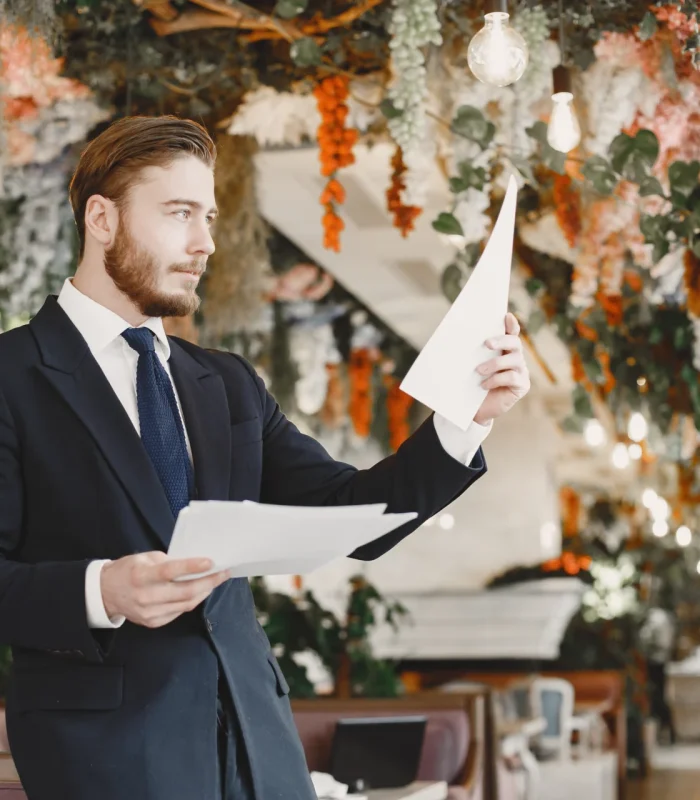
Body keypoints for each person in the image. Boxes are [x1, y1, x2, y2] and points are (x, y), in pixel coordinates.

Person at [0, 116, 530, 800]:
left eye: (211, 216)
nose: (206, 243)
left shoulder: (226, 382)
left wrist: (465, 420)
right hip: (105, 760)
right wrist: (101, 590)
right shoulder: (12, 376)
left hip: (259, 749)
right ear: (102, 219)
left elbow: (356, 512)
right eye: (180, 213)